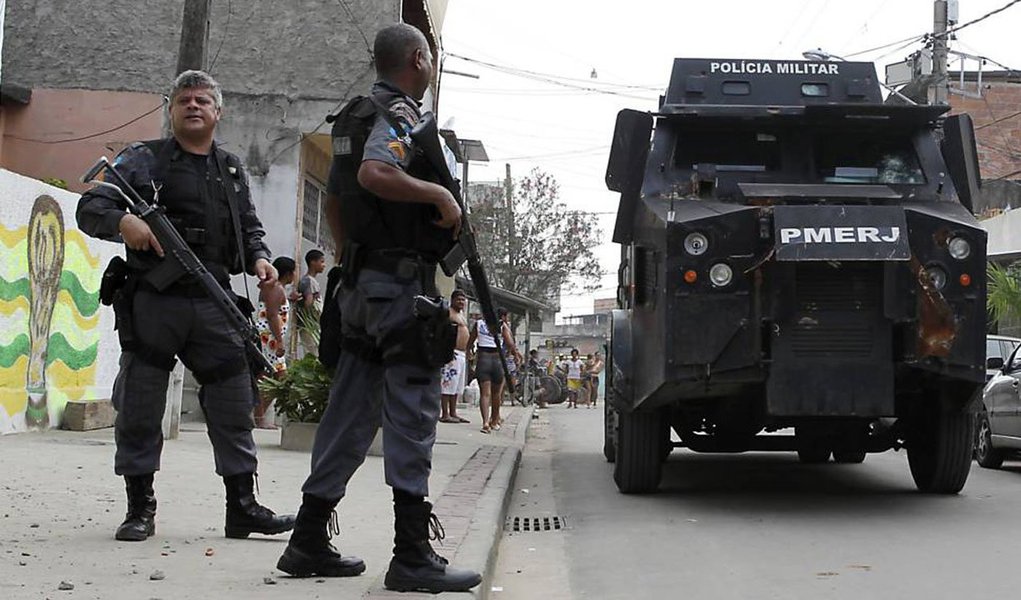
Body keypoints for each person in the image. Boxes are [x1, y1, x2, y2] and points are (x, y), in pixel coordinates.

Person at [275, 24, 481, 593]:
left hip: (362, 288)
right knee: (412, 415)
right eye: (431, 57)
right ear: (419, 58)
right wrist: (440, 195)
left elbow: (337, 199)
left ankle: (307, 539)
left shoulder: (353, 115)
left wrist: (350, 263)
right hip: (400, 290)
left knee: (348, 413)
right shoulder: (399, 114)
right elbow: (374, 172)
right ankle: (411, 554)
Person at [76, 70, 295, 542]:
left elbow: (249, 228)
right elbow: (90, 208)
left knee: (234, 402)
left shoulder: (230, 169)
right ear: (172, 110)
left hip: (212, 299)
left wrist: (259, 258)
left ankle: (242, 507)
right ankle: (140, 508)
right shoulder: (143, 160)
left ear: (218, 112)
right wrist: (124, 222)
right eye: (184, 100)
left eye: (202, 101)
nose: (193, 106)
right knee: (140, 404)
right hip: (154, 301)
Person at [254, 256, 296, 428]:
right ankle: (258, 417)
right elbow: (272, 315)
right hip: (269, 339)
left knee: (276, 379)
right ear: (288, 274)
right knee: (271, 379)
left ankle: (259, 416)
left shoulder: (276, 288)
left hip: (269, 337)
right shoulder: (275, 288)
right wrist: (279, 341)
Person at [440, 290, 470, 424]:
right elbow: (442, 331)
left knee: (457, 386)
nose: (461, 302)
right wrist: (446, 349)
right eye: (458, 299)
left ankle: (453, 412)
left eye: (463, 300)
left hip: (462, 354)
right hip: (452, 353)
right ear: (452, 300)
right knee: (448, 384)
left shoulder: (461, 315)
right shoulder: (448, 313)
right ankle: (445, 414)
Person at [295, 249, 326, 356]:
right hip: (309, 325)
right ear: (313, 262)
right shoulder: (308, 281)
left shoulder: (311, 281)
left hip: (313, 325)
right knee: (313, 354)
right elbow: (308, 303)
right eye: (321, 261)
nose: (324, 265)